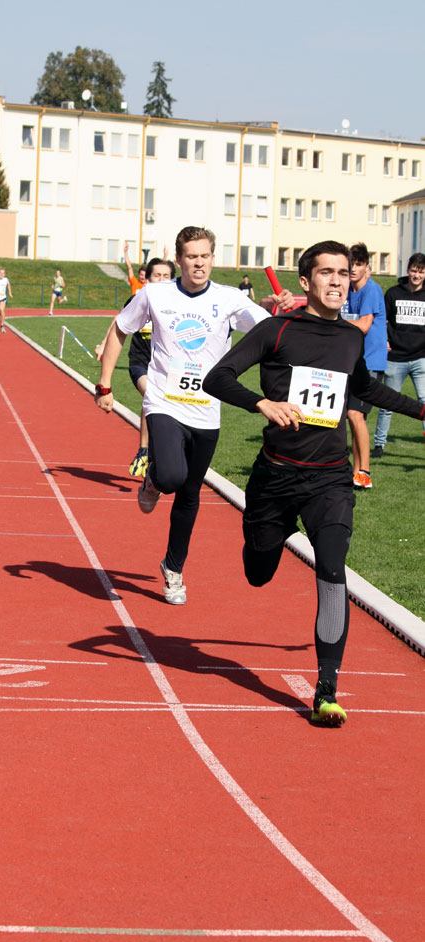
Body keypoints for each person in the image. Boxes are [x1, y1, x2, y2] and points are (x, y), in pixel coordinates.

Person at [203, 240, 425, 727]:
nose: (337, 281)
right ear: (306, 282)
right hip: (275, 477)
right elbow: (217, 378)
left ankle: (326, 689)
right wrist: (262, 403)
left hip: (330, 478)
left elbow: (363, 387)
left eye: (343, 273)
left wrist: (422, 410)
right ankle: (265, 539)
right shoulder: (276, 329)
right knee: (258, 572)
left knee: (332, 568)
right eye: (327, 273)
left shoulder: (349, 337)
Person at [95, 225, 293, 606]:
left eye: (205, 256)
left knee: (189, 493)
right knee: (171, 476)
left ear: (213, 258)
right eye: (191, 257)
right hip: (164, 401)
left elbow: (272, 329)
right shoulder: (155, 294)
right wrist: (105, 384)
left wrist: (280, 309)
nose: (199, 263)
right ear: (179, 259)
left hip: (206, 409)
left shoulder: (229, 299)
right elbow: (120, 328)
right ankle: (154, 480)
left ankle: (173, 568)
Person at [95, 257, 176, 478]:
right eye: (157, 276)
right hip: (140, 363)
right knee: (152, 395)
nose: (161, 280)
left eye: (166, 276)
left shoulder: (178, 305)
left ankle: (157, 455)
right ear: (147, 279)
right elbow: (118, 323)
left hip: (168, 367)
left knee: (167, 408)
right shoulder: (138, 299)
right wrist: (103, 343)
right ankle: (144, 451)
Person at [341, 243, 388, 489]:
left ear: (366, 267)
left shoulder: (371, 290)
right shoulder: (348, 290)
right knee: (353, 418)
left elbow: (364, 325)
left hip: (371, 363)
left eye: (358, 265)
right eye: (351, 264)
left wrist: (335, 325)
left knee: (355, 414)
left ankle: (365, 473)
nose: (353, 269)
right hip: (353, 362)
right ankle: (356, 471)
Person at [373, 252, 425, 457]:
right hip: (396, 358)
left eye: (421, 272)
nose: (417, 275)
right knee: (388, 404)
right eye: (414, 270)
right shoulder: (393, 293)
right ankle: (379, 445)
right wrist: (384, 340)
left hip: (421, 358)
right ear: (408, 270)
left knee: (424, 401)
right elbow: (381, 321)